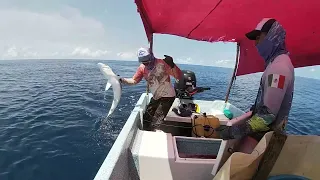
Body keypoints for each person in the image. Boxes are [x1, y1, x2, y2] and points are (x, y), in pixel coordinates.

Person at [217, 18, 295, 153]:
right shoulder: (277, 63)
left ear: (273, 36)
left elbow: (267, 116)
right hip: (264, 136)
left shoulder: (278, 68)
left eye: (259, 38)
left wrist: (233, 131)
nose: (256, 43)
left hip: (266, 140)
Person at [120, 47, 182, 132]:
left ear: (152, 56)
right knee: (146, 119)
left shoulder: (163, 63)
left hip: (168, 96)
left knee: (156, 123)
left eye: (147, 61)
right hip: (156, 96)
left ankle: (155, 137)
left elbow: (178, 76)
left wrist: (172, 65)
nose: (146, 63)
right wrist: (122, 80)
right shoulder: (142, 68)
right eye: (143, 62)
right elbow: (134, 80)